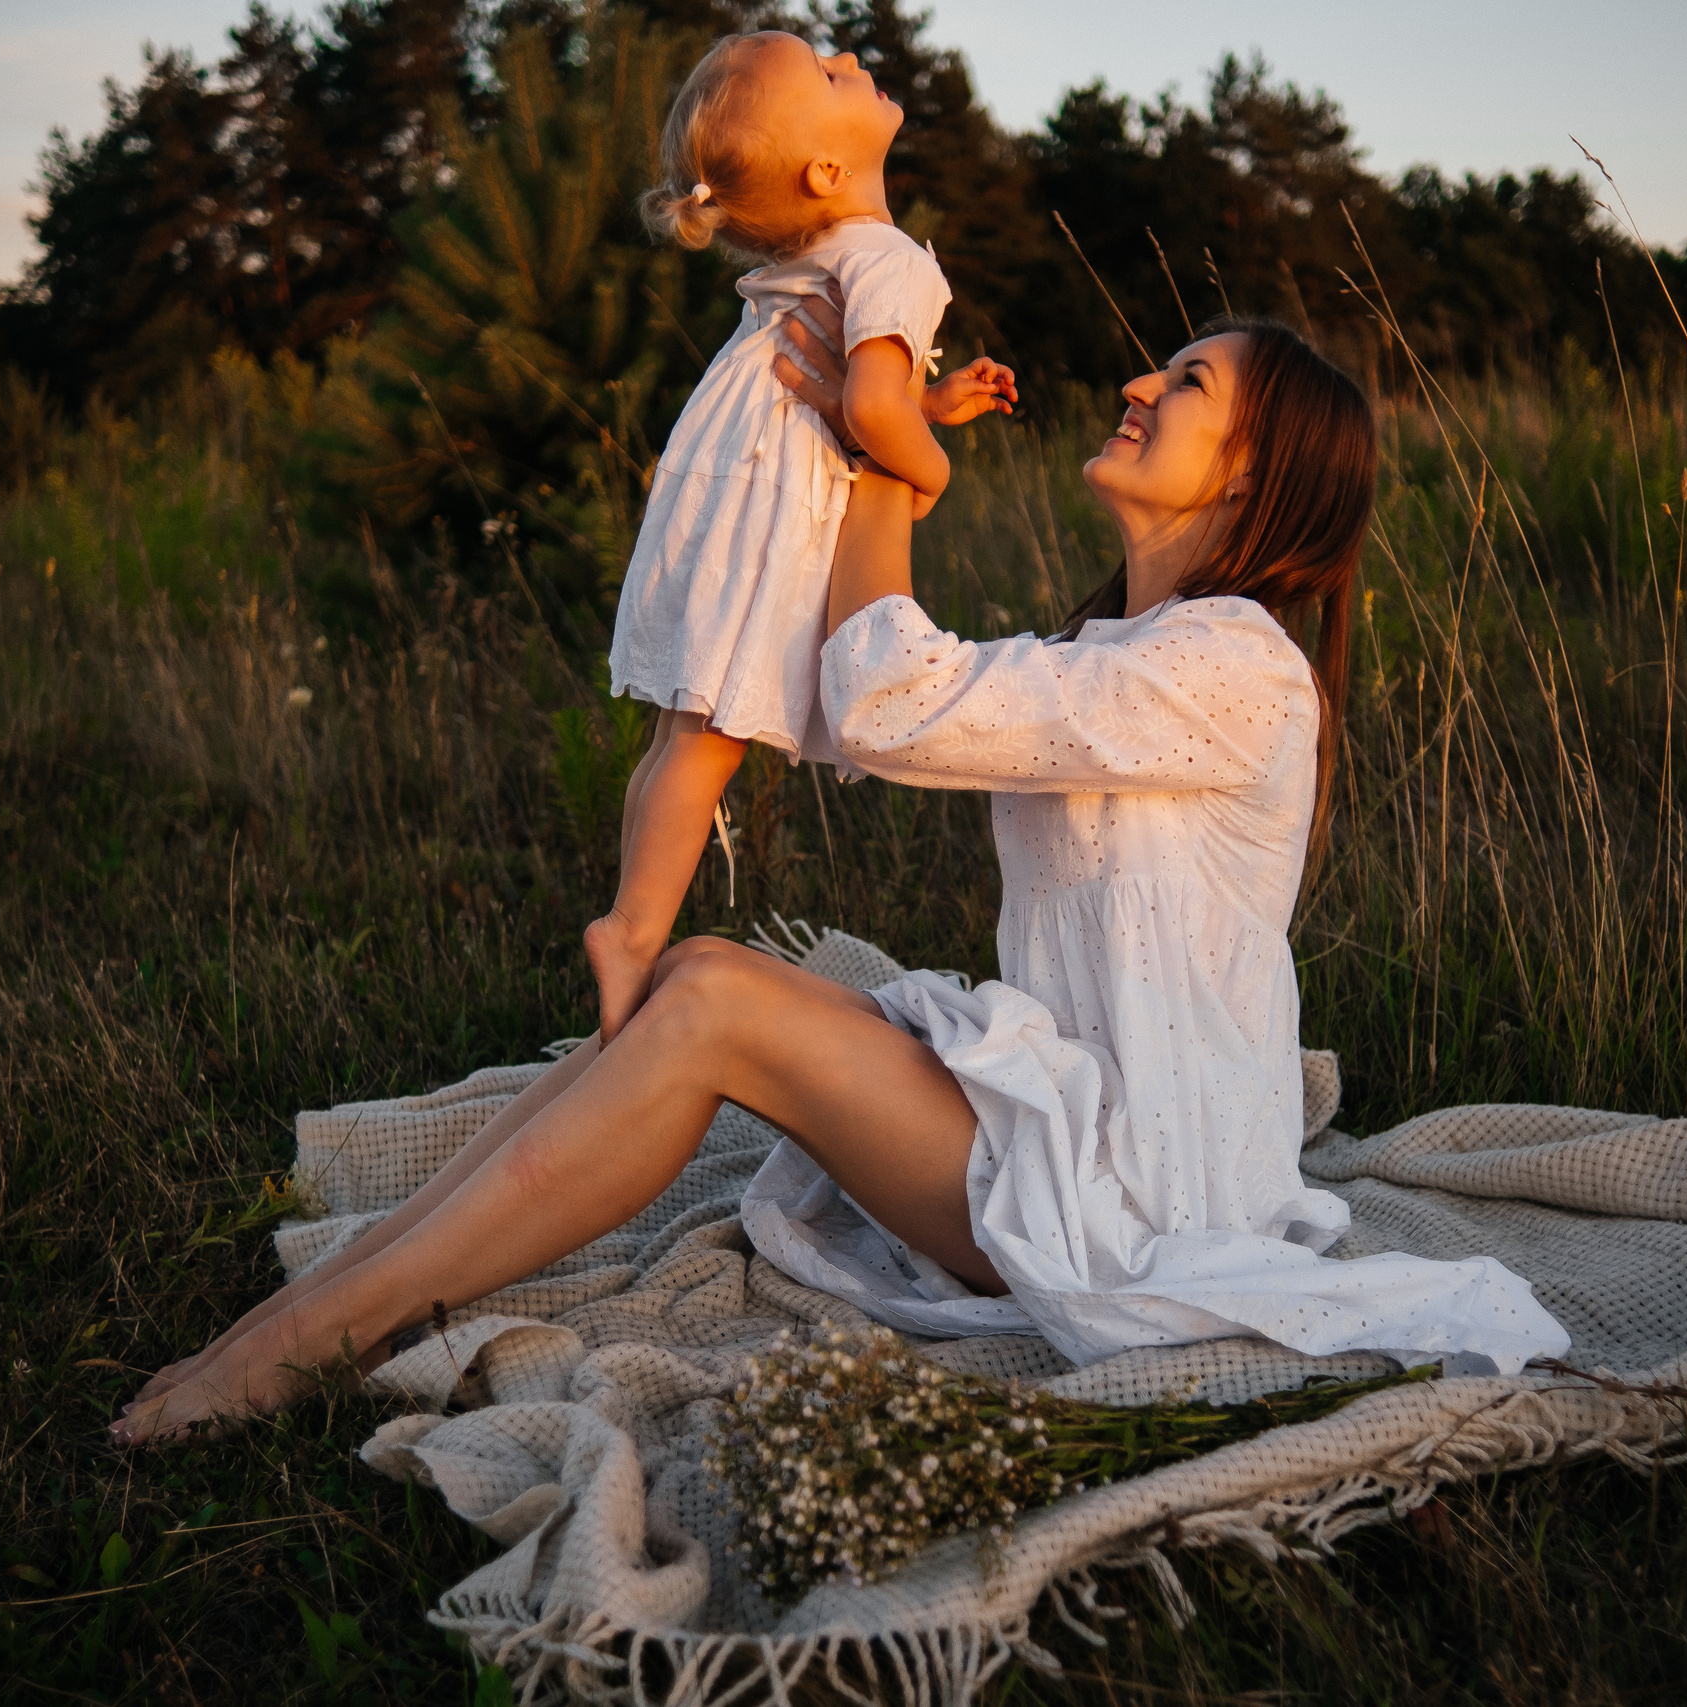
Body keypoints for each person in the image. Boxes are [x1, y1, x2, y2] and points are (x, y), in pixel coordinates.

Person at [111, 319, 1564, 1448]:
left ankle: (293, 1351)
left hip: (1140, 1191)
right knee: (695, 972)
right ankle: (323, 1303)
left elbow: (889, 699)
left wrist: (889, 458)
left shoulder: (1234, 665)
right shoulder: (1126, 654)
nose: (1139, 379)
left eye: (1185, 380)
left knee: (713, 1003)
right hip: (1059, 1126)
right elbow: (867, 693)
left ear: (1252, 469)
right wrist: (845, 441)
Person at [589, 29, 1018, 1040]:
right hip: (769, 495)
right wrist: (931, 462)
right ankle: (632, 933)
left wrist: (931, 401)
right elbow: (869, 413)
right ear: (827, 168)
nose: (850, 62)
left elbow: (865, 390)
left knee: (685, 729)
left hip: (723, 472)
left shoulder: (831, 250)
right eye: (827, 74)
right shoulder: (891, 258)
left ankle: (631, 926)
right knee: (714, 735)